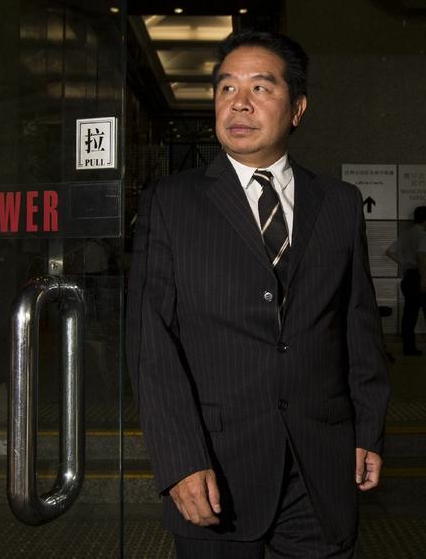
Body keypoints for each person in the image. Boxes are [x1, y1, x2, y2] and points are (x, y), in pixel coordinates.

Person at [126, 30, 389, 558]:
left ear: (298, 108)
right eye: (226, 88)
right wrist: (180, 461)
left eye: (260, 88)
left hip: (321, 471)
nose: (239, 103)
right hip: (216, 473)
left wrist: (368, 429)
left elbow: (357, 327)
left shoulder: (339, 203)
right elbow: (150, 343)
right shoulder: (171, 203)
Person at [385, 206, 426, 356]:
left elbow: (389, 251)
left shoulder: (406, 234)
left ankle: (409, 349)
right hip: (420, 277)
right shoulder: (422, 234)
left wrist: (405, 263)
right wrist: (423, 279)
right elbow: (421, 257)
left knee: (409, 315)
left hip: (408, 278)